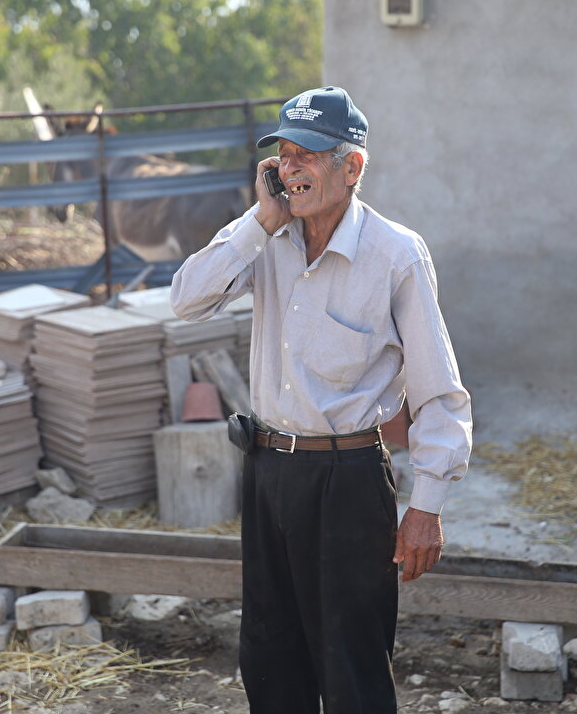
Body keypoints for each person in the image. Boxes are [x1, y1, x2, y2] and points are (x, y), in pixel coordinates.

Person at [170, 86, 472, 714]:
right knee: (269, 662)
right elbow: (186, 301)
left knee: (352, 671)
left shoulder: (395, 254)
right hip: (267, 473)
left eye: (306, 155)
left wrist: (427, 506)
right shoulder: (265, 236)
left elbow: (439, 391)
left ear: (351, 166)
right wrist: (259, 222)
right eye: (282, 156)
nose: (290, 169)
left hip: (349, 482)